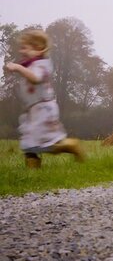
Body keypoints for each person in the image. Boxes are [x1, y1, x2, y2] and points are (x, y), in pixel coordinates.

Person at [3, 29, 84, 168]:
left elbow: (35, 78)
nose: (21, 51)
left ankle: (70, 146)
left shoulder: (42, 65)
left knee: (45, 142)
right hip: (34, 111)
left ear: (38, 49)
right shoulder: (31, 65)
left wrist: (18, 68)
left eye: (25, 48)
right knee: (29, 142)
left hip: (43, 110)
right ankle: (32, 172)